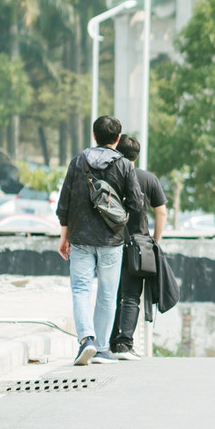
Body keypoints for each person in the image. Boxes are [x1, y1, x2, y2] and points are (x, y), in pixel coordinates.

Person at [56, 116, 144, 365]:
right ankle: (103, 348)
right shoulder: (125, 166)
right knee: (107, 293)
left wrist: (64, 236)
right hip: (111, 240)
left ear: (94, 136)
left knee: (81, 290)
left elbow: (65, 202)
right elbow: (137, 203)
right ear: (118, 139)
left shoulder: (78, 162)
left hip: (80, 237)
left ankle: (87, 340)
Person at [109, 134, 167, 360]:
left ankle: (108, 343)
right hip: (138, 246)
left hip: (110, 243)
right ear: (137, 155)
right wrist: (156, 241)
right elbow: (161, 211)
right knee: (131, 295)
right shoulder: (148, 179)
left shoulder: (111, 177)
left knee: (110, 294)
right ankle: (124, 344)